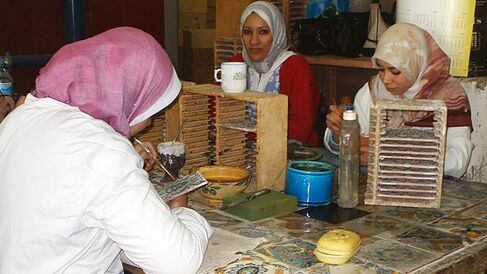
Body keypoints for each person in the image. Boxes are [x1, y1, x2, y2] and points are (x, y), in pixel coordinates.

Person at [0, 27, 212, 273]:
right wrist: (184, 214)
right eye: (150, 110)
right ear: (129, 94)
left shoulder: (21, 117)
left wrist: (124, 166)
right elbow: (177, 262)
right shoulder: (103, 151)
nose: (150, 122)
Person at [324, 23, 474, 178]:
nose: (386, 79)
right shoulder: (373, 91)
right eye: (381, 69)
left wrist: (391, 154)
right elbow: (350, 144)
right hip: (377, 184)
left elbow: (458, 163)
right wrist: (340, 132)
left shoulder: (449, 98)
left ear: (417, 64)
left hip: (427, 188)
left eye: (395, 71)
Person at [230, 1, 320, 146]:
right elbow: (219, 111)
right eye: (247, 32)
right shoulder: (235, 64)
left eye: (263, 32)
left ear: (277, 33)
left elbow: (301, 126)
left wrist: (251, 140)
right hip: (240, 151)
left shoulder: (296, 66)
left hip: (290, 153)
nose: (254, 40)